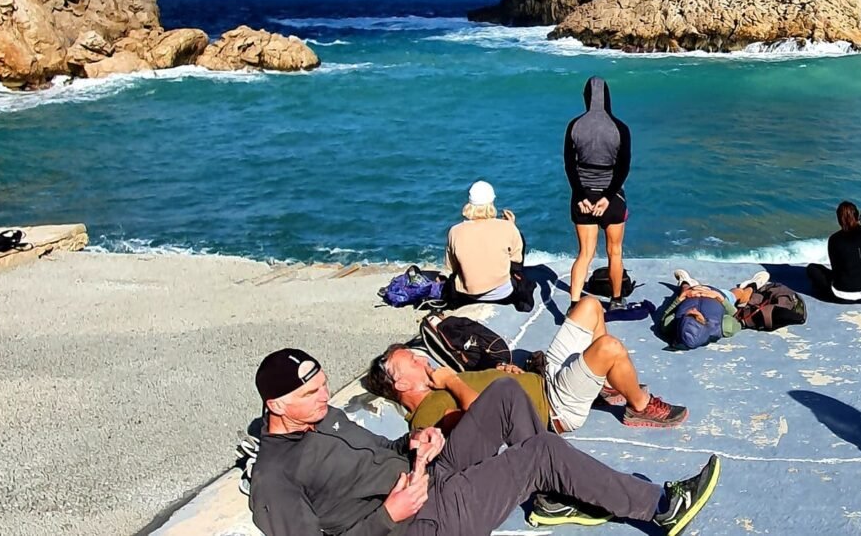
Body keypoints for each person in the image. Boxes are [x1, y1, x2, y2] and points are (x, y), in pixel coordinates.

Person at [247, 346, 720, 536]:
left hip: (425, 476)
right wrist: (389, 513)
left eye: (324, 385)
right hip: (419, 523)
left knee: (506, 394)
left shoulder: (323, 417)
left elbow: (378, 454)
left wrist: (414, 440)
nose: (325, 397)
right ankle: (661, 508)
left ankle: (550, 497)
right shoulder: (275, 480)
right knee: (541, 453)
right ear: (276, 405)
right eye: (311, 393)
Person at [366, 294, 687, 432]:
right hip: (556, 407)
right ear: (402, 383)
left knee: (589, 306)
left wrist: (506, 374)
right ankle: (639, 406)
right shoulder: (428, 412)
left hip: (544, 380)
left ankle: (602, 383)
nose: (421, 357)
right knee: (608, 348)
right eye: (412, 360)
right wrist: (451, 380)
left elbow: (486, 391)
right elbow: (479, 420)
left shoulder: (439, 385)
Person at [564, 77, 629, 304]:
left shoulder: (574, 126)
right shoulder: (620, 128)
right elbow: (623, 168)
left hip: (583, 198)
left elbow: (569, 165)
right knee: (615, 251)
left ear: (586, 97)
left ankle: (574, 303)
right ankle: (616, 301)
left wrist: (580, 195)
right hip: (612, 199)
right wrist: (607, 197)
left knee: (585, 254)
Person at [444, 181, 533, 309]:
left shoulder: (455, 231)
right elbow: (517, 261)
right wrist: (513, 227)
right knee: (518, 240)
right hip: (503, 295)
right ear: (491, 202)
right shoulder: (507, 227)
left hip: (468, 296)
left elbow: (451, 268)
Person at [806, 201, 861, 301]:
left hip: (844, 294)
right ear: (857, 216)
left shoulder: (834, 239)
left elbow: (836, 269)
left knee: (812, 269)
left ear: (839, 220)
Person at [655, 270, 748, 350]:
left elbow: (668, 313)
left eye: (688, 315)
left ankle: (686, 282)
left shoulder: (670, 325)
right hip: (717, 294)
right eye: (695, 316)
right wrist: (720, 298)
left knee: (684, 288)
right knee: (738, 293)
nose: (693, 310)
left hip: (692, 291)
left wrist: (680, 298)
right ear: (704, 324)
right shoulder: (724, 327)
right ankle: (752, 286)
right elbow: (736, 315)